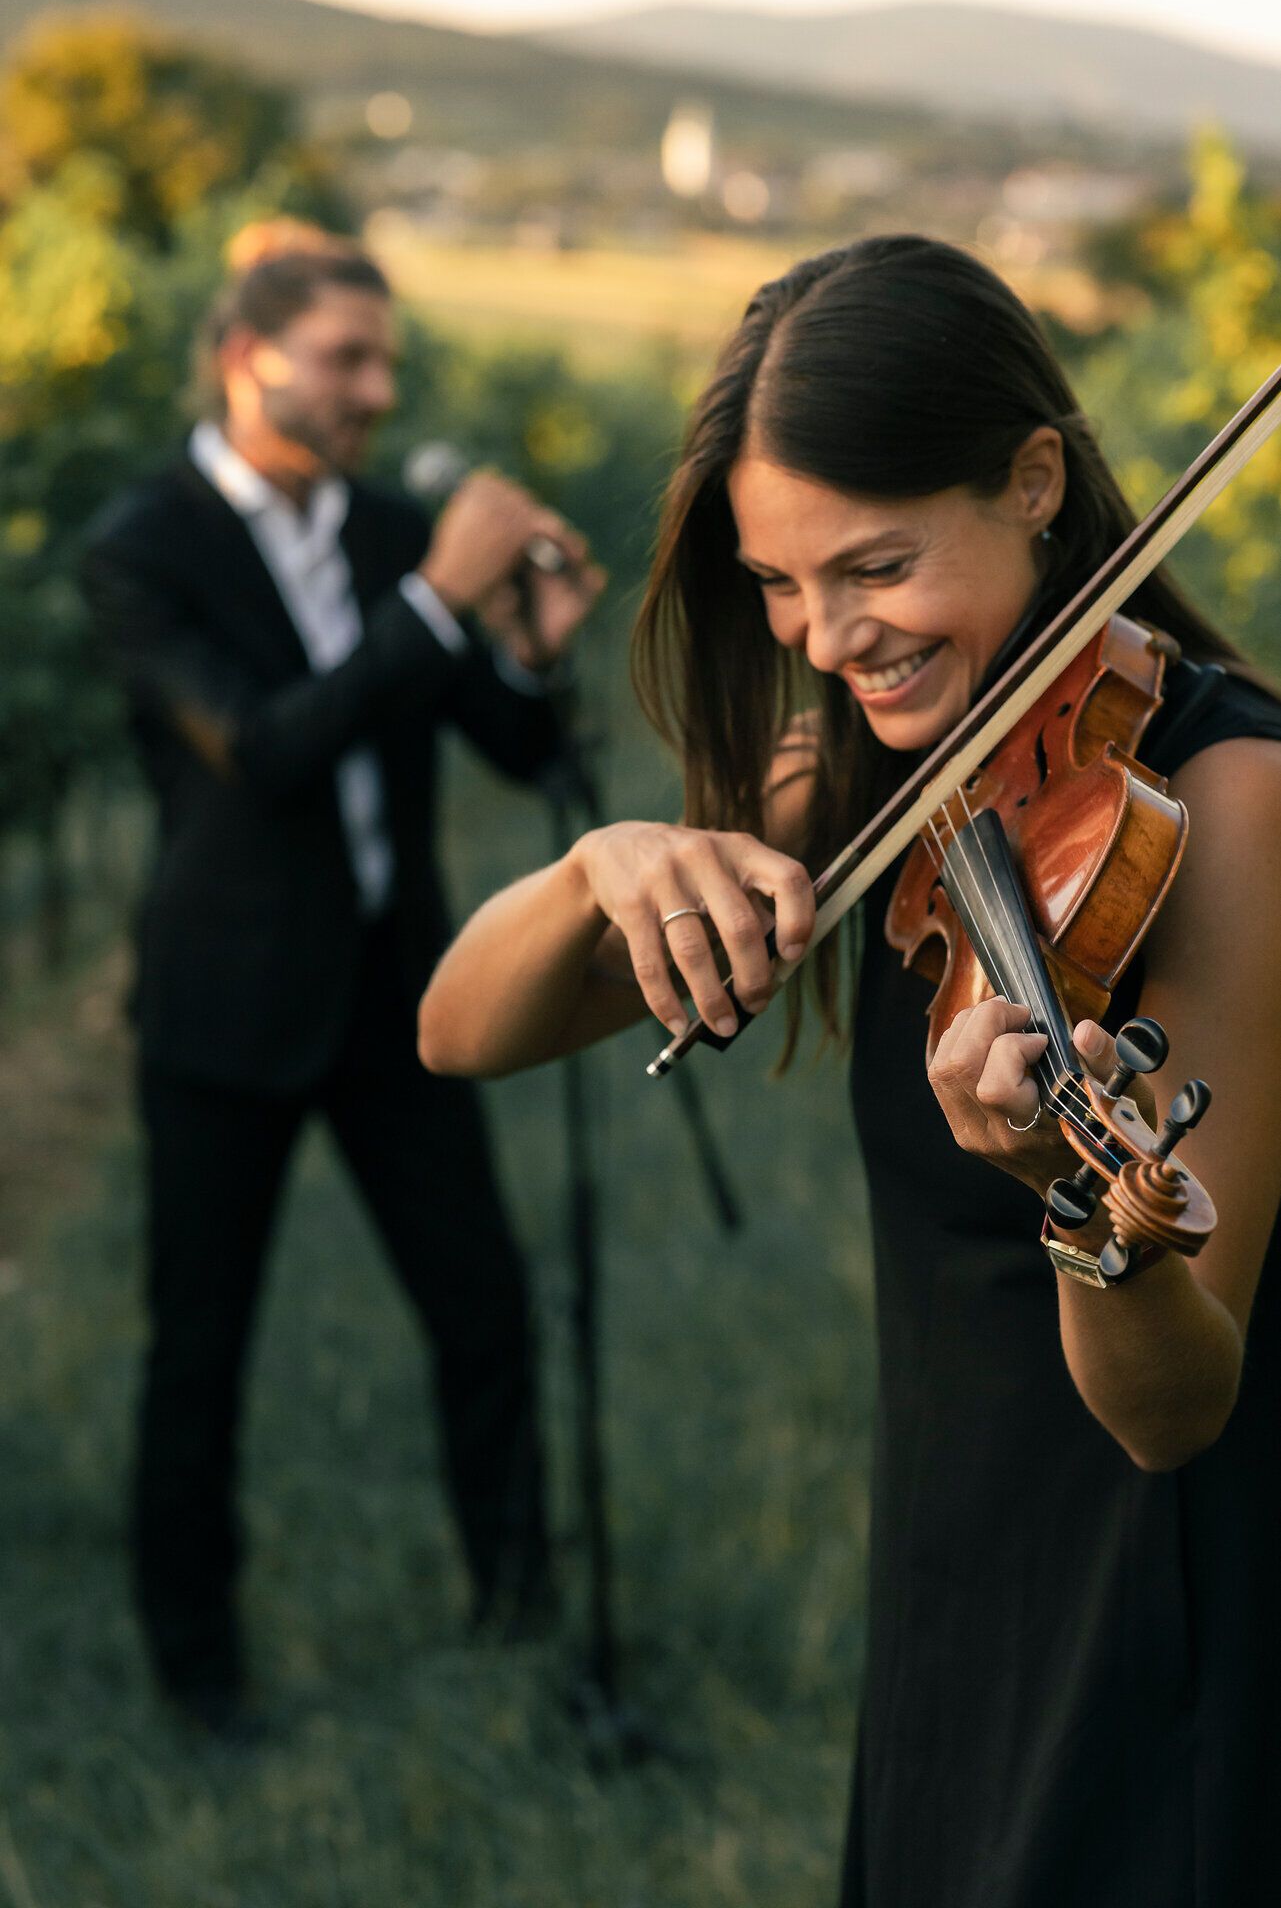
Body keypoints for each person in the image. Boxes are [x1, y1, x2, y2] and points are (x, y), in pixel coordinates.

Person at [417, 236, 1281, 1906]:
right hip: (957, 1569)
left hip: (1162, 1619)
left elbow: (1176, 1407)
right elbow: (460, 1027)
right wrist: (602, 861)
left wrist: (1068, 1188)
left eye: (873, 567)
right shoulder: (874, 770)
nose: (824, 640)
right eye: (778, 583)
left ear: (1035, 481)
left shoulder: (1227, 810)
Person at [80, 233, 605, 1736]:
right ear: (252, 360)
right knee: (201, 1352)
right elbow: (263, 751)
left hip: (394, 995)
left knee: (486, 1311)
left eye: (385, 359)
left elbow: (518, 752)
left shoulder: (385, 531)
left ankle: (515, 1609)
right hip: (224, 1009)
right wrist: (440, 603)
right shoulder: (141, 546)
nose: (379, 388)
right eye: (347, 359)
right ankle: (199, 1678)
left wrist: (531, 656)